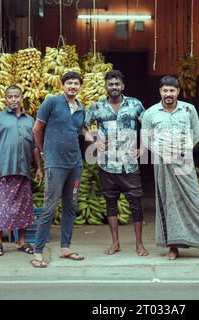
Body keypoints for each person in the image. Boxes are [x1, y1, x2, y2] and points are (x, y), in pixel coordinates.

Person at [140, 76, 199, 262]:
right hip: (162, 162)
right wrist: (162, 152)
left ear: (178, 92)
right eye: (165, 91)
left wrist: (180, 151)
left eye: (172, 90)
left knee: (193, 201)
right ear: (160, 91)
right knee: (168, 202)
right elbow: (146, 139)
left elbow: (196, 134)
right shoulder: (151, 113)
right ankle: (173, 247)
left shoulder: (188, 110)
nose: (168, 94)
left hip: (183, 161)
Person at [84, 70, 148, 256]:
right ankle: (115, 243)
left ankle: (139, 244)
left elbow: (147, 123)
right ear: (106, 86)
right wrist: (93, 140)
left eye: (117, 84)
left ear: (122, 86)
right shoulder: (97, 107)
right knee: (110, 203)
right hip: (107, 164)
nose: (114, 87)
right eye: (110, 84)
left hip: (129, 164)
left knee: (135, 203)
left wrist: (143, 147)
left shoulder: (134, 104)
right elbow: (82, 124)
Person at [31, 72, 86, 268]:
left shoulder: (81, 109)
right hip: (55, 164)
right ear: (62, 85)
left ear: (80, 86)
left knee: (71, 205)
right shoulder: (51, 102)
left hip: (75, 164)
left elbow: (79, 132)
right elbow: (37, 129)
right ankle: (37, 252)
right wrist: (44, 150)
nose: (72, 86)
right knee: (49, 207)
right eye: (69, 83)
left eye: (76, 83)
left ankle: (65, 248)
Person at [0, 85, 43, 257]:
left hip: (23, 171)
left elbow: (34, 147)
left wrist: (38, 167)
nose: (13, 100)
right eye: (10, 96)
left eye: (16, 96)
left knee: (24, 208)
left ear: (21, 97)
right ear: (5, 98)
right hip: (4, 170)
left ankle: (21, 242)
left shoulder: (30, 120)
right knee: (1, 207)